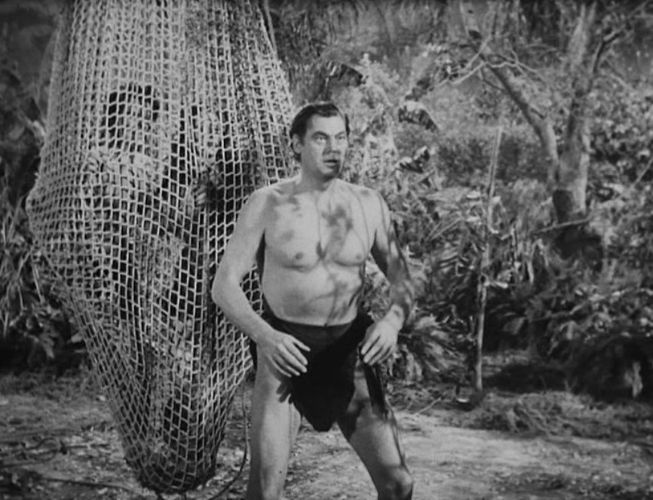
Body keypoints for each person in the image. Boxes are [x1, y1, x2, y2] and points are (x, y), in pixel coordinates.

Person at [211, 102, 415, 500]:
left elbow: (402, 279)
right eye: (321, 138)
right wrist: (266, 337)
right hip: (285, 354)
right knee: (265, 492)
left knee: (398, 486)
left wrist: (392, 322)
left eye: (340, 138)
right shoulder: (267, 203)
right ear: (297, 144)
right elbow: (224, 286)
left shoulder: (368, 204)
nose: (333, 148)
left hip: (348, 351)